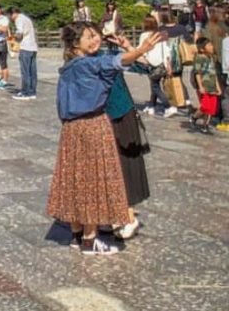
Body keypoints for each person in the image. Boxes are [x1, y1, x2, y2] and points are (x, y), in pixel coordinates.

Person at [46, 23, 160, 255]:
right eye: (89, 37)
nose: (95, 39)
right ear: (76, 43)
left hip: (71, 129)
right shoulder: (91, 63)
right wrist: (140, 49)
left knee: (76, 178)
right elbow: (117, 63)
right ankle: (90, 239)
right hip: (94, 123)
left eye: (96, 35)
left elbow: (130, 64)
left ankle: (78, 235)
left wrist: (133, 51)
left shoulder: (69, 66)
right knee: (95, 180)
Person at [102, 31, 149, 241]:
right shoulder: (81, 61)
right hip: (100, 117)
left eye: (95, 36)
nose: (94, 41)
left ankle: (128, 216)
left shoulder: (108, 57)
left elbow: (145, 66)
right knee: (106, 166)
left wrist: (130, 47)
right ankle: (112, 214)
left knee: (123, 164)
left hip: (120, 113)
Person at [139, 17, 176, 118]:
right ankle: (151, 106)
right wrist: (168, 65)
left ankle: (168, 106)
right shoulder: (160, 34)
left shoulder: (144, 35)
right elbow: (167, 50)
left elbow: (141, 49)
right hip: (162, 63)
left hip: (151, 63)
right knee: (154, 84)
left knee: (155, 86)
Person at [191, 37, 221, 134]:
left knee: (212, 108)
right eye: (209, 45)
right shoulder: (199, 58)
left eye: (211, 45)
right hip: (205, 85)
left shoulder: (211, 58)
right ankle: (194, 117)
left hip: (212, 86)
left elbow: (214, 73)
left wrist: (218, 87)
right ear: (202, 49)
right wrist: (200, 86)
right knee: (205, 106)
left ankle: (205, 126)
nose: (212, 47)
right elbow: (197, 73)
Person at [10, 6, 39, 100]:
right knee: (32, 71)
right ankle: (32, 91)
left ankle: (25, 92)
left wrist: (14, 37)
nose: (11, 18)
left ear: (14, 13)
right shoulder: (27, 18)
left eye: (10, 15)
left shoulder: (19, 19)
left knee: (25, 71)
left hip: (25, 47)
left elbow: (20, 32)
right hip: (33, 46)